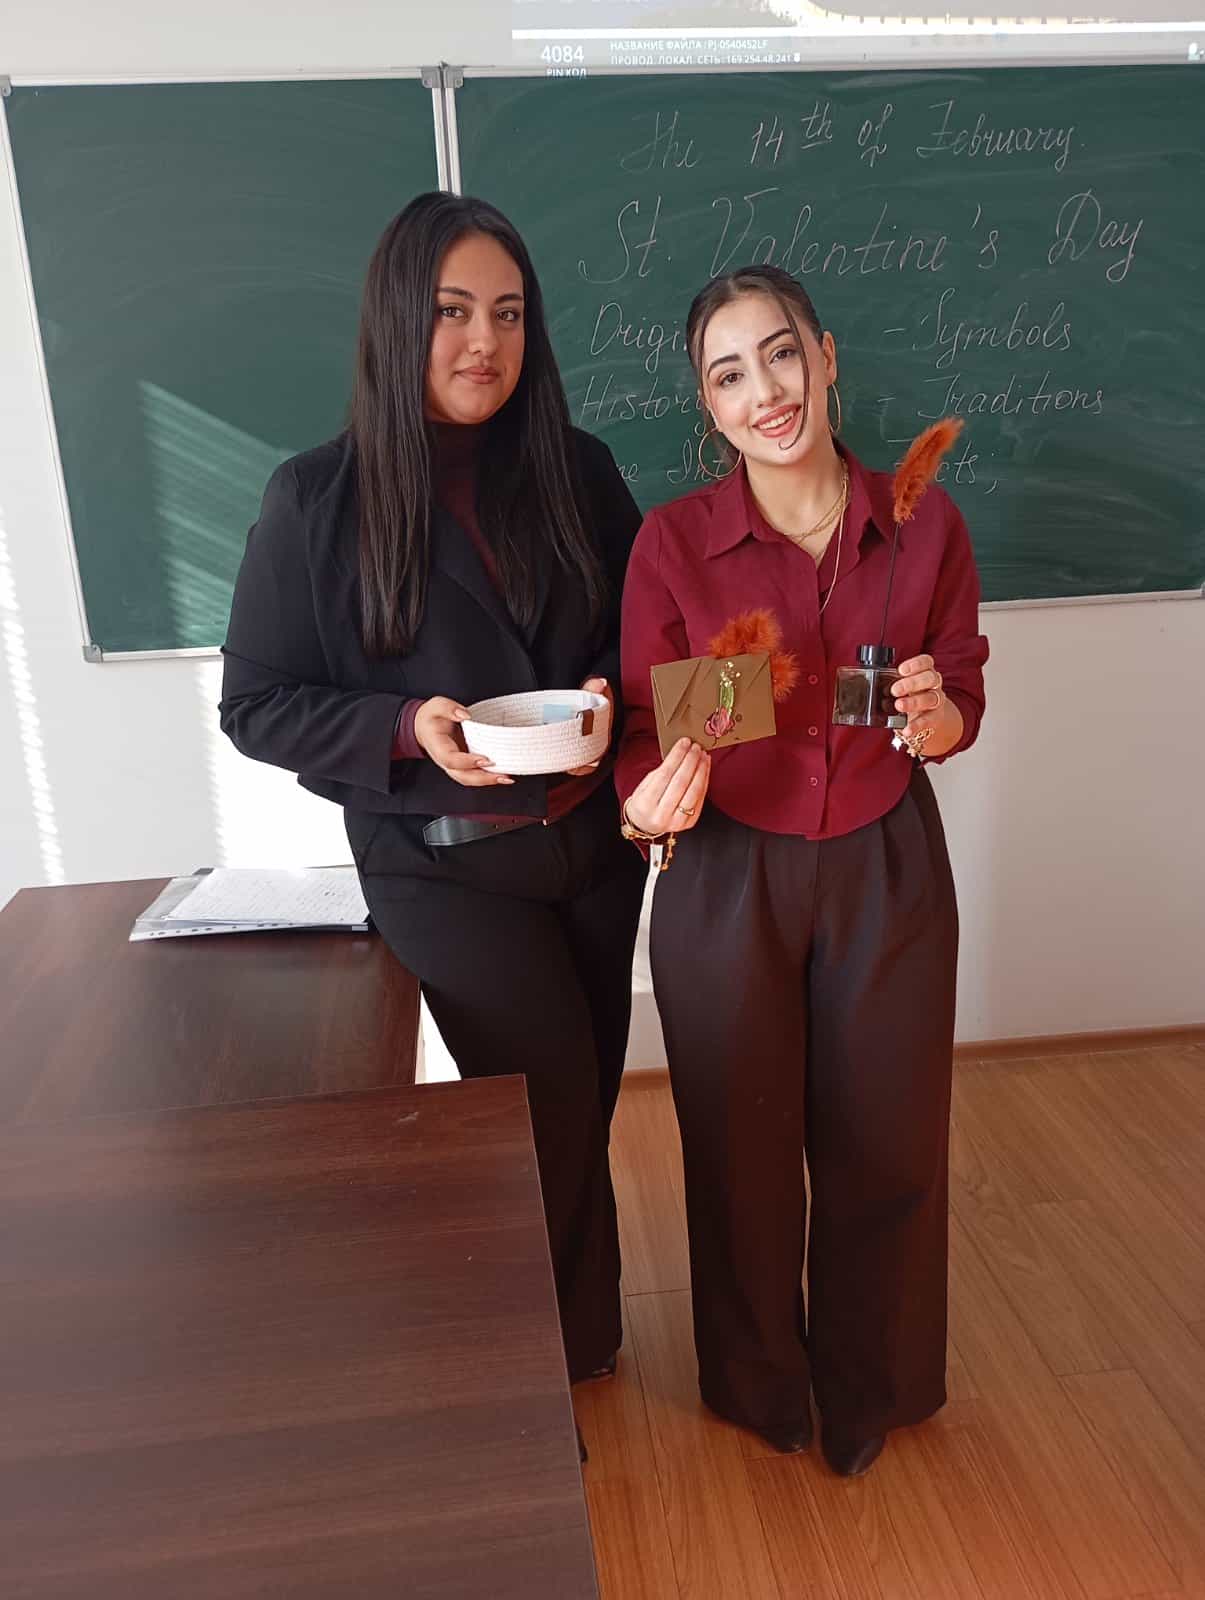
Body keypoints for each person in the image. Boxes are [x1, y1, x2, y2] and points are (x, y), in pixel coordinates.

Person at [220, 193, 646, 1403]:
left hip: (590, 846)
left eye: (508, 314)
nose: (483, 343)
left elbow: (641, 626)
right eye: (454, 312)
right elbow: (256, 704)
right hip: (439, 859)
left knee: (583, 1099)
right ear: (398, 317)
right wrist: (408, 727)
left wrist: (610, 693)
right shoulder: (315, 498)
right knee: (545, 1102)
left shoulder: (576, 467)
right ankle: (533, 1367)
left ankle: (581, 1340)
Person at [615, 264, 988, 1477]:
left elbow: (957, 687)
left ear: (824, 357)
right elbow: (643, 725)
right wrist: (644, 796)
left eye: (780, 354)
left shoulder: (923, 523)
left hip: (884, 856)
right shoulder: (673, 543)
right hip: (727, 873)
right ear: (707, 405)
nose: (763, 392)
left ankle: (872, 1382)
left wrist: (939, 717)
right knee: (740, 1142)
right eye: (727, 374)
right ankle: (757, 1381)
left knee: (888, 1136)